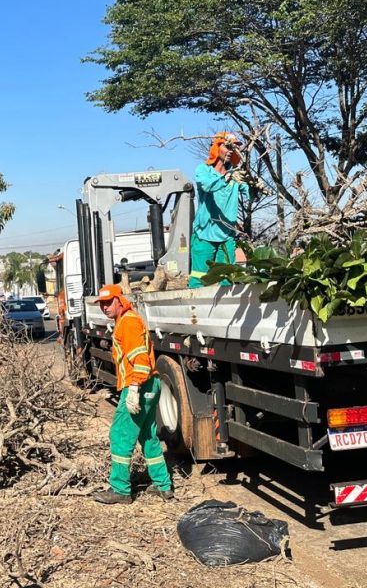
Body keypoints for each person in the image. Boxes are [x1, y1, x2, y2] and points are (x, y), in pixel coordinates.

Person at [90, 284, 174, 504]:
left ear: (120, 300)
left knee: (120, 435)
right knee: (148, 436)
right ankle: (163, 485)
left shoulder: (128, 322)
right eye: (102, 304)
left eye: (109, 302)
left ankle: (120, 489)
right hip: (149, 384)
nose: (105, 308)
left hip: (140, 384)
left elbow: (141, 360)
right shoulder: (127, 320)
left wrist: (134, 388)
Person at [189, 131, 250, 288]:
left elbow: (249, 193)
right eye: (227, 146)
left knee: (228, 280)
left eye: (234, 148)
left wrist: (254, 185)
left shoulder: (236, 175)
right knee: (199, 279)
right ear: (216, 147)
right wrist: (228, 177)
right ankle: (196, 311)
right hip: (204, 234)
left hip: (227, 235)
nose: (231, 151)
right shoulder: (203, 170)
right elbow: (208, 186)